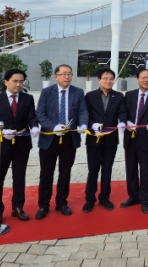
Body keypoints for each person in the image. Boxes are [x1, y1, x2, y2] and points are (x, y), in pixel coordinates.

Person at [0, 68, 39, 224]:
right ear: (6, 82)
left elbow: (31, 116)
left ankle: (18, 207)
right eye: (15, 81)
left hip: (21, 145)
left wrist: (35, 127)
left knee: (19, 178)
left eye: (21, 81)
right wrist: (0, 132)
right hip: (1, 148)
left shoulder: (28, 98)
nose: (18, 84)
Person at [35, 64, 89, 219]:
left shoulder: (78, 92)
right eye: (63, 74)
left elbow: (83, 111)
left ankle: (62, 203)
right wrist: (53, 127)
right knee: (46, 174)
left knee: (65, 173)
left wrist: (83, 124)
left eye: (69, 74)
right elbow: (40, 114)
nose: (67, 77)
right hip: (49, 139)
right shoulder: (47, 92)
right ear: (56, 76)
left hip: (69, 139)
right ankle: (43, 205)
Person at [120, 68, 148, 214]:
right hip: (130, 139)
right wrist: (125, 122)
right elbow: (123, 111)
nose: (146, 80)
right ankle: (133, 196)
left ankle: (145, 199)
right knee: (131, 170)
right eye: (143, 77)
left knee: (147, 171)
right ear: (138, 79)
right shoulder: (129, 95)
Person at [83, 68, 128, 212]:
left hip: (110, 140)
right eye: (105, 78)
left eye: (111, 79)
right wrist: (91, 125)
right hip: (94, 138)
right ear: (99, 80)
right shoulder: (90, 96)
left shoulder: (119, 96)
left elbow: (122, 112)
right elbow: (85, 114)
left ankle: (104, 197)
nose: (108, 81)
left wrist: (123, 122)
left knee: (107, 169)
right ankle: (90, 199)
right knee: (93, 170)